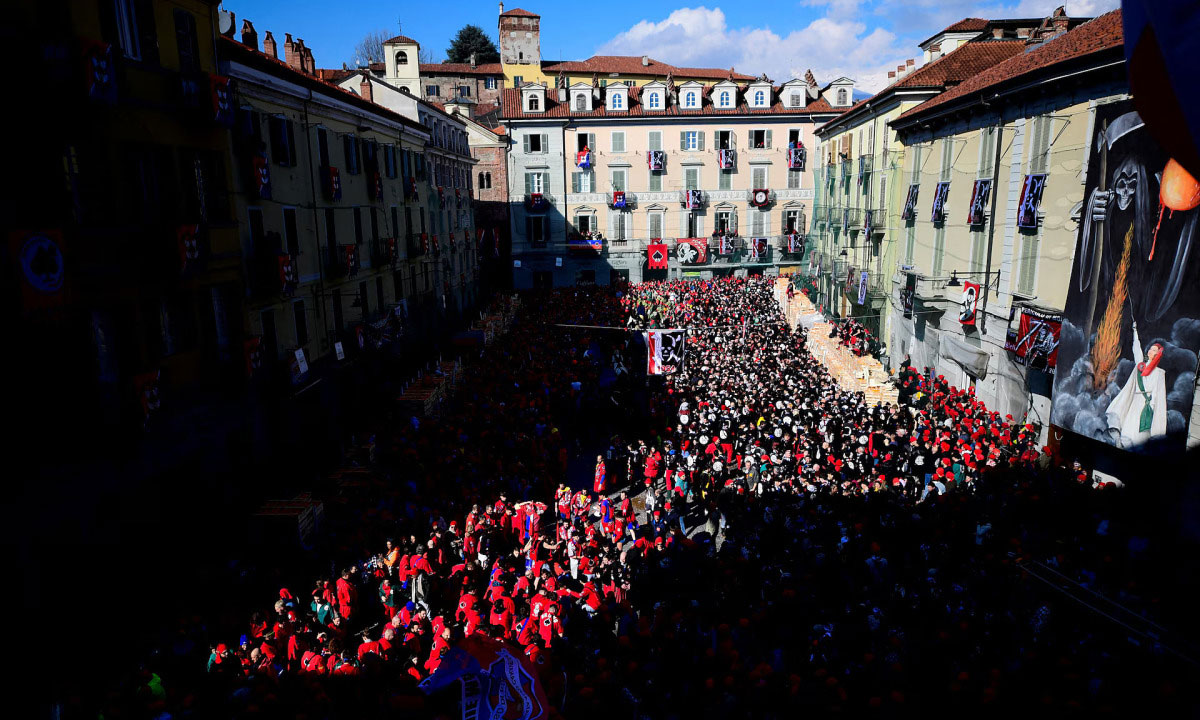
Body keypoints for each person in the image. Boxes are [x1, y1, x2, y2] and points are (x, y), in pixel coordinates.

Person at [1105, 322, 1167, 447]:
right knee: (1127, 431)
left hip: (1147, 406)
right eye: (1150, 348)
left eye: (1154, 350)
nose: (1150, 350)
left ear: (1158, 354)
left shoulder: (1160, 373)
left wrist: (1151, 407)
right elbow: (1137, 351)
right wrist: (1135, 331)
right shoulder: (1141, 366)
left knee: (1141, 435)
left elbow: (1157, 393)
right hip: (1135, 402)